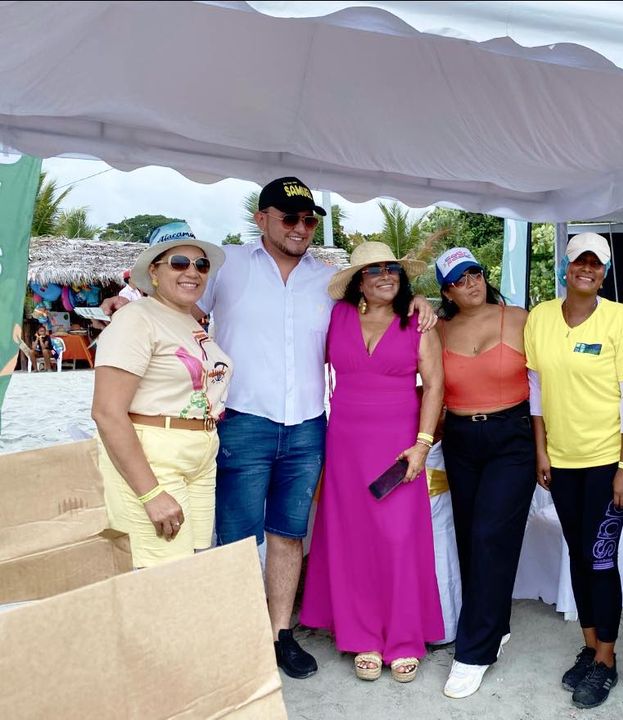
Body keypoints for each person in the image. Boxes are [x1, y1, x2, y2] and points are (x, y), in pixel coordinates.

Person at [101, 177, 436, 680]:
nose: (300, 227)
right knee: (237, 537)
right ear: (262, 219)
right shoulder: (225, 266)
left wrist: (418, 301)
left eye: (309, 219)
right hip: (243, 421)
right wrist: (128, 301)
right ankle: (241, 636)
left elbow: (377, 306)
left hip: (307, 426)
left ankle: (280, 634)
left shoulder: (327, 282)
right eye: (289, 217)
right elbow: (176, 300)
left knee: (288, 534)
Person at [299, 241, 444, 684]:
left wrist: (422, 444)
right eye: (375, 270)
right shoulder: (336, 316)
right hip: (345, 446)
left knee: (399, 539)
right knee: (354, 541)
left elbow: (435, 386)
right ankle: (361, 636)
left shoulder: (417, 321)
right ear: (358, 281)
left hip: (399, 448)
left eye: (392, 270)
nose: (385, 276)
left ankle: (403, 639)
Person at [524, 232, 623, 709]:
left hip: (606, 462)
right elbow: (536, 390)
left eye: (595, 263)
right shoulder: (540, 318)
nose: (586, 269)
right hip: (561, 462)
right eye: (579, 261)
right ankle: (589, 644)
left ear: (604, 271)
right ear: (565, 266)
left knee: (600, 559)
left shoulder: (620, 320)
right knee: (579, 556)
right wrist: (541, 451)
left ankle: (606, 659)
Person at [91, 222, 231, 568]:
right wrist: (150, 492)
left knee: (192, 566)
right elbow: (107, 412)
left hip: (198, 457)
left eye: (201, 265)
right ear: (154, 272)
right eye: (179, 262)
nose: (192, 272)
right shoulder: (136, 319)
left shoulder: (189, 321)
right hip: (155, 460)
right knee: (162, 574)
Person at [433, 247, 537, 699]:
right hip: (460, 438)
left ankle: (474, 652)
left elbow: (548, 380)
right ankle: (497, 622)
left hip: (512, 436)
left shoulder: (519, 319)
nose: (470, 284)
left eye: (474, 273)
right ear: (446, 292)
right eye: (458, 280)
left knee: (491, 534)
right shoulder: (437, 329)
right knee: (469, 537)